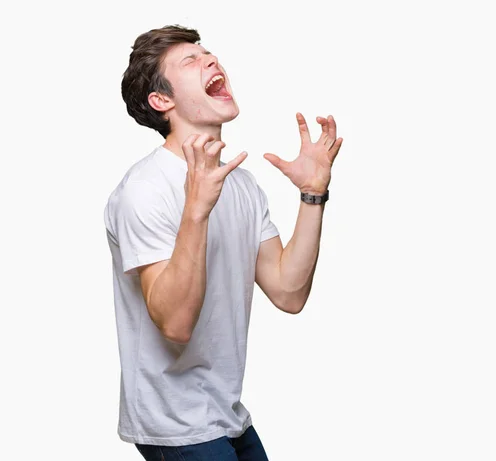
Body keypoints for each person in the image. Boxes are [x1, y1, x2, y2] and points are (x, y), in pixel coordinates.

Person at [103, 24, 343, 461]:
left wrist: (313, 195)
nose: (211, 60)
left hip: (226, 412)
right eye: (190, 60)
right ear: (162, 101)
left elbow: (289, 292)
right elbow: (175, 323)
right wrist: (195, 208)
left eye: (208, 53)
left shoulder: (243, 186)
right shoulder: (144, 189)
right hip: (173, 425)